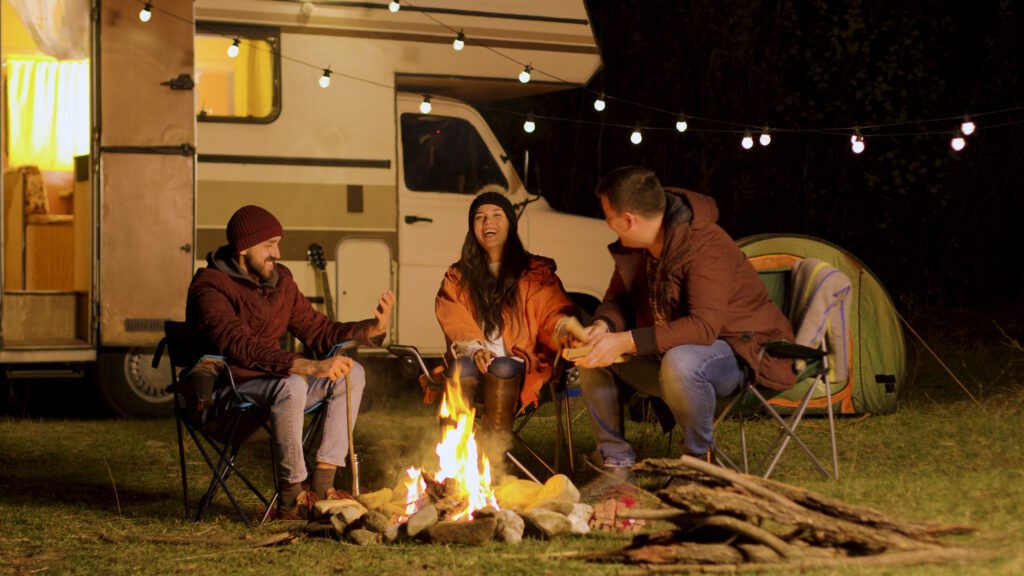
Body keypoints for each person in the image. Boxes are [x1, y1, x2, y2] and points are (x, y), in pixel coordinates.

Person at [573, 167, 796, 498]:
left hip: (739, 351)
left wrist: (626, 341)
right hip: (668, 355)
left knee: (682, 361)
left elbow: (704, 327)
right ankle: (616, 464)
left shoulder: (705, 245)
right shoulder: (637, 246)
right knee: (592, 356)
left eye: (609, 217)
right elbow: (616, 300)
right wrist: (603, 327)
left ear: (629, 219)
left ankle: (697, 466)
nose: (608, 225)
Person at [186, 205, 395, 519]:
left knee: (352, 373)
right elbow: (237, 344)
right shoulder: (209, 288)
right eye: (269, 245)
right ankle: (291, 498)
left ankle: (323, 488)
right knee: (293, 383)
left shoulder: (280, 282)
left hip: (275, 396)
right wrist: (307, 366)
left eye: (278, 243)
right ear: (243, 248)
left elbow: (319, 329)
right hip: (226, 399)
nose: (278, 252)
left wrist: (369, 329)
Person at [435, 192, 577, 459]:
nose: (488, 222)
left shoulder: (535, 272)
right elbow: (452, 315)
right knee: (460, 367)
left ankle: (493, 461)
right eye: (480, 217)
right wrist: (475, 349)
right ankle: (454, 462)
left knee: (501, 364)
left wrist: (564, 330)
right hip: (475, 361)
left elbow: (555, 311)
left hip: (525, 366)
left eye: (496, 216)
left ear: (510, 225)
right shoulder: (458, 276)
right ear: (473, 228)